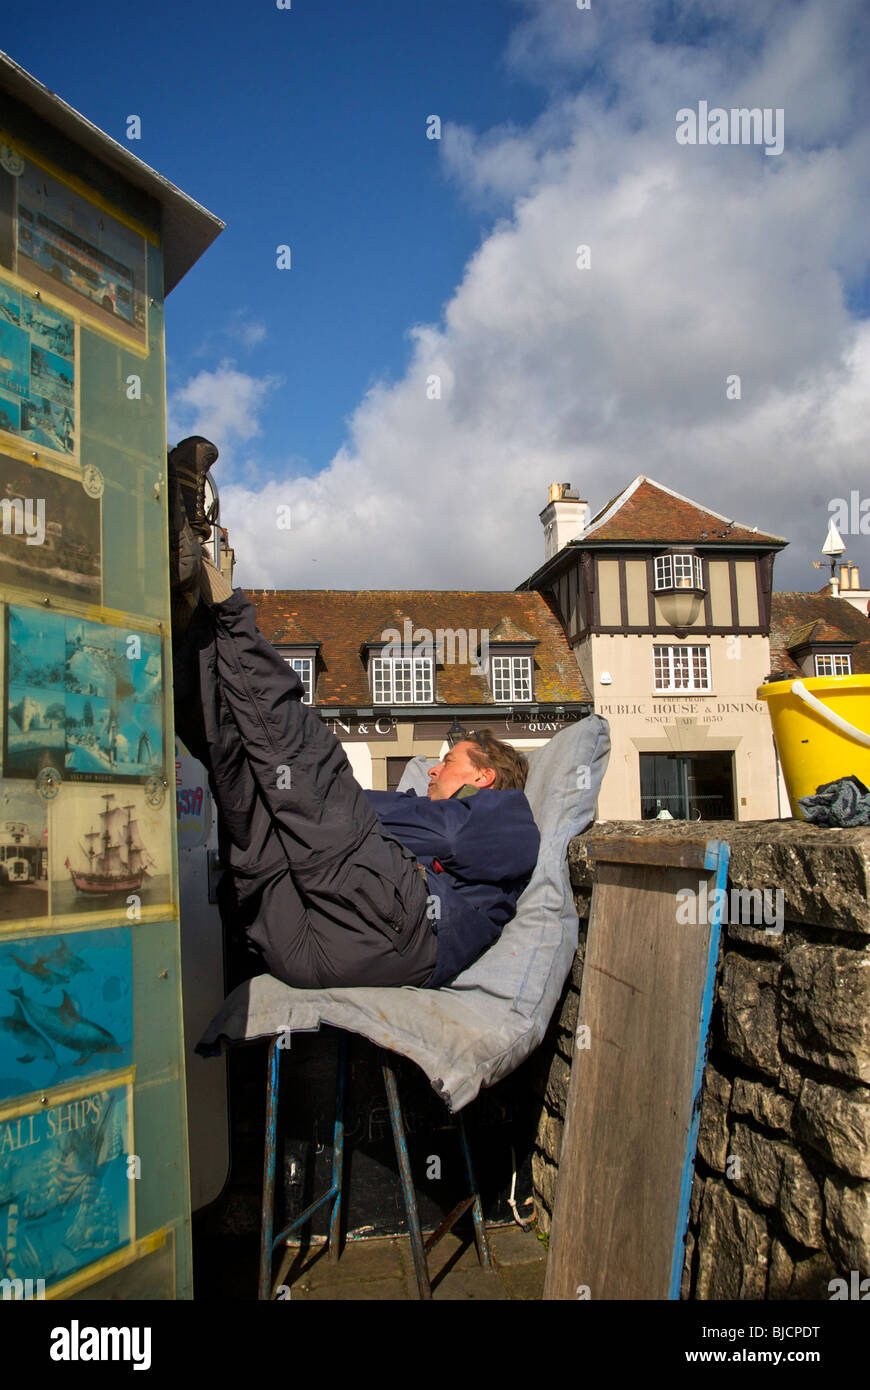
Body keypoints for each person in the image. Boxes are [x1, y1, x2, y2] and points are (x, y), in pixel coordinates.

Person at [168, 437, 540, 991]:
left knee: (309, 766)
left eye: (450, 761)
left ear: (484, 776)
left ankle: (217, 594)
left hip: (398, 933)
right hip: (309, 941)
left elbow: (433, 833)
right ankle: (187, 614)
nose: (433, 770)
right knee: (241, 779)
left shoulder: (508, 816)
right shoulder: (448, 823)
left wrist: (339, 801)